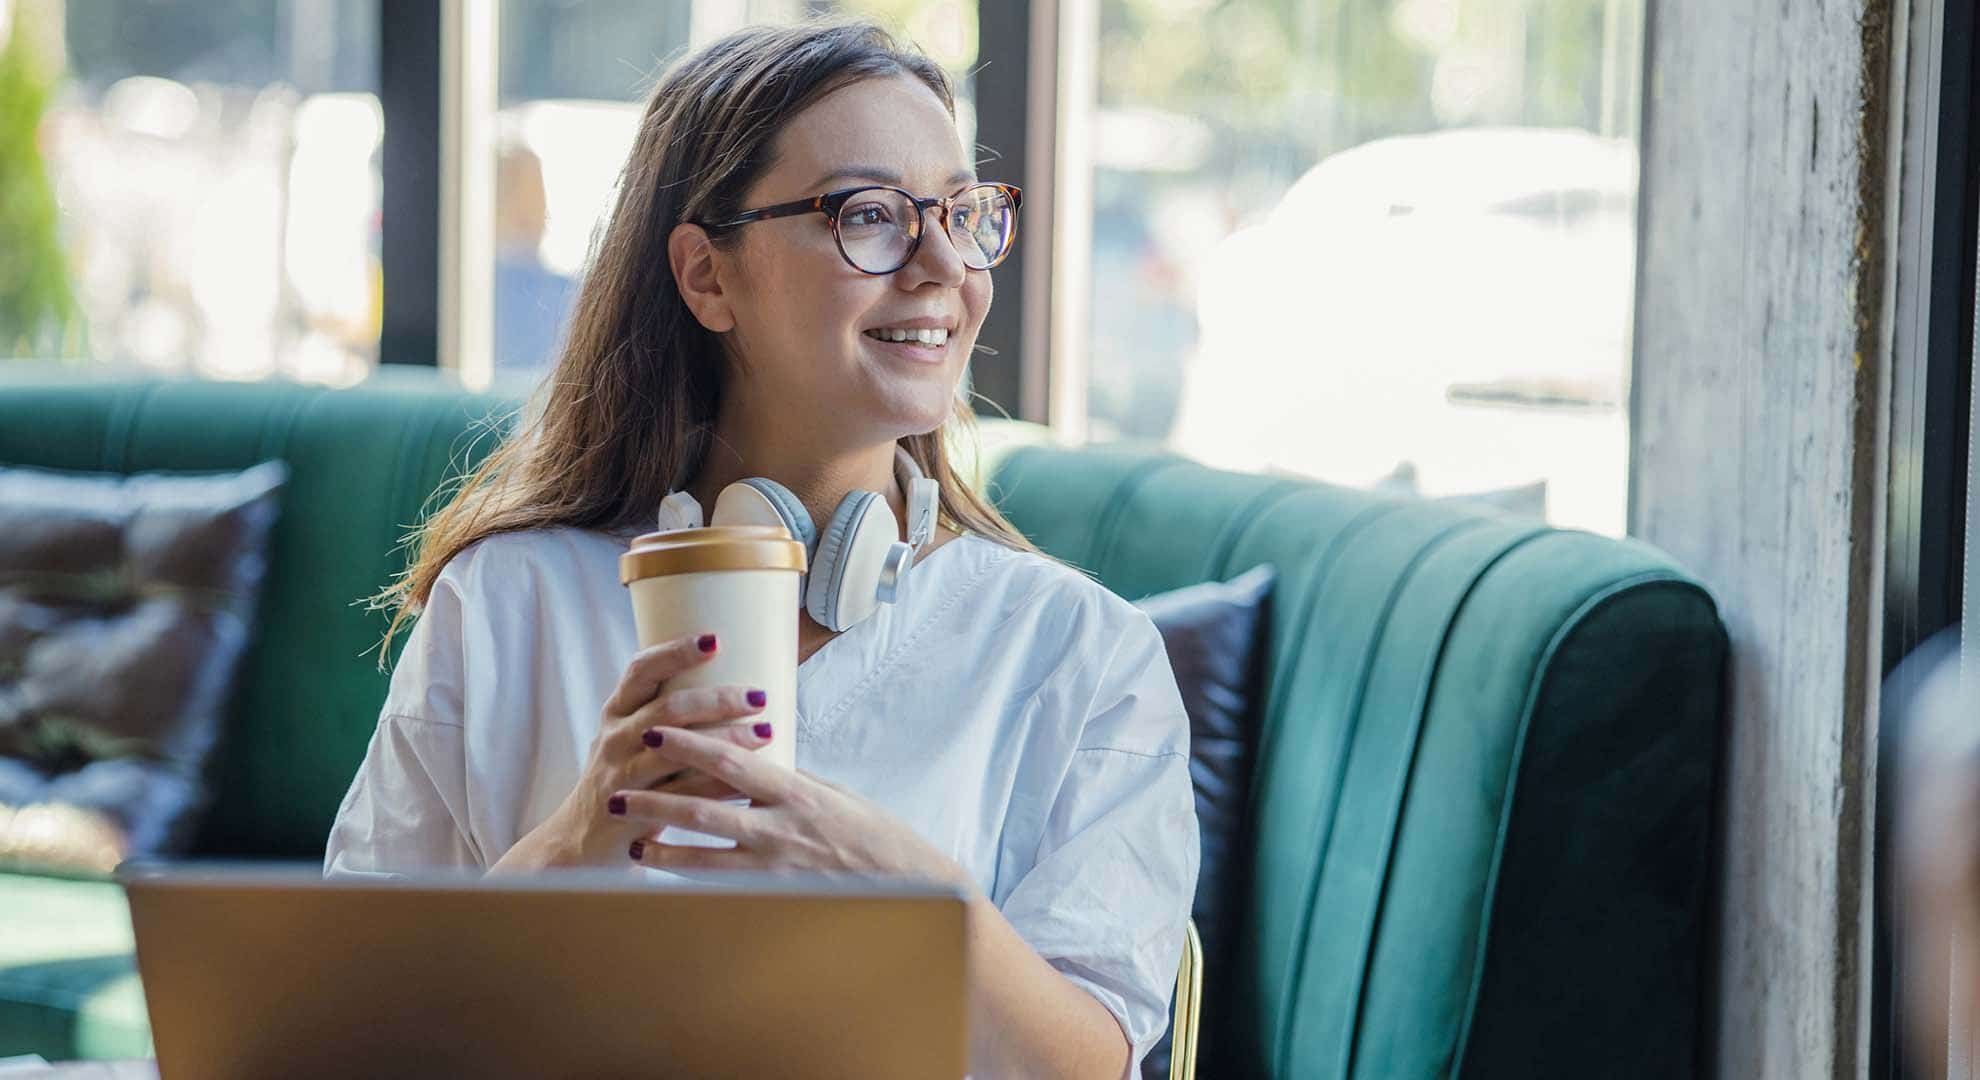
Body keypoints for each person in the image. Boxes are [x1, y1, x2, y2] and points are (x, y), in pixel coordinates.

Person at [324, 19, 1199, 1079]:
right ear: (707, 277)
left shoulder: (1081, 654)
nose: (939, 266)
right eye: (867, 215)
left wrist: (906, 892)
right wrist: (576, 841)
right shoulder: (508, 601)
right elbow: (352, 1027)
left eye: (961, 214)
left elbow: (1089, 1063)